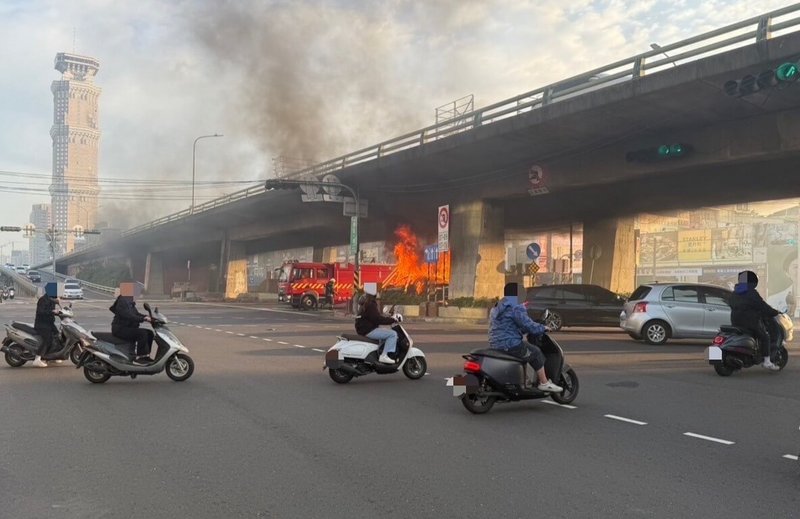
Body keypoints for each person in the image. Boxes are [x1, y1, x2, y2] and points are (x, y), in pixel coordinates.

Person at [488, 282, 563, 393]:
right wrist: (543, 327)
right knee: (536, 352)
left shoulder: (498, 306)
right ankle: (544, 383)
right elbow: (528, 325)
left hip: (495, 343)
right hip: (510, 344)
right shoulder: (515, 306)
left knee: (525, 352)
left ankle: (524, 380)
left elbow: (509, 326)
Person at [730, 270, 781, 371]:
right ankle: (767, 362)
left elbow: (731, 302)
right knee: (765, 337)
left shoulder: (736, 292)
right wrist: (774, 312)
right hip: (749, 321)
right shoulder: (752, 293)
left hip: (735, 319)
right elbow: (762, 305)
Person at [355, 285, 398, 364]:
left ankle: (379, 353)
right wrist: (392, 320)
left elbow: (375, 317)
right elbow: (377, 319)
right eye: (377, 291)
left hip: (363, 329)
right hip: (368, 330)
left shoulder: (365, 303)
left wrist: (388, 318)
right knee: (392, 334)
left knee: (384, 333)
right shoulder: (371, 304)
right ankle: (384, 355)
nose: (378, 293)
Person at [109, 293, 153, 365]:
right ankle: (140, 358)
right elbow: (129, 316)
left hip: (127, 327)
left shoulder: (129, 303)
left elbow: (136, 314)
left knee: (149, 333)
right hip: (120, 329)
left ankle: (145, 356)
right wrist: (143, 319)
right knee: (142, 334)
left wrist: (149, 317)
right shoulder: (122, 302)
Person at [33, 283, 61, 368]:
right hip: (42, 324)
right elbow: (41, 312)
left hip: (49, 323)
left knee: (57, 336)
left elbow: (53, 310)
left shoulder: (51, 299)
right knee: (48, 339)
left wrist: (60, 310)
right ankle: (37, 358)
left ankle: (52, 356)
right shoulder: (43, 300)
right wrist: (52, 312)